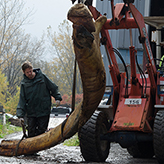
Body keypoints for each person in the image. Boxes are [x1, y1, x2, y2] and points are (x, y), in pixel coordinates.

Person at [16, 61, 62, 138]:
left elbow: (53, 87)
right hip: (31, 112)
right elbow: (22, 100)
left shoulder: (42, 77)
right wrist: (20, 115)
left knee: (41, 131)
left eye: (30, 71)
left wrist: (57, 98)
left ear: (32, 69)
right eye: (27, 72)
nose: (29, 73)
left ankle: (39, 148)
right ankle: (31, 149)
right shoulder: (24, 84)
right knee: (31, 132)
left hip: (43, 110)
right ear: (24, 72)